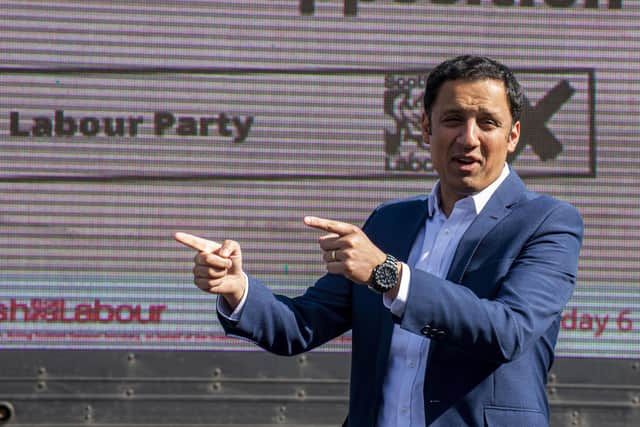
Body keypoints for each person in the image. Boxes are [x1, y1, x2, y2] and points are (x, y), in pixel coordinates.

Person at [175, 55, 583, 427]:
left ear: (513, 136)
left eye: (487, 123)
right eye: (453, 119)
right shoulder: (390, 221)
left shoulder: (547, 222)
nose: (469, 137)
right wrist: (238, 289)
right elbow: (300, 326)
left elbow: (509, 330)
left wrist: (389, 275)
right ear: (426, 127)